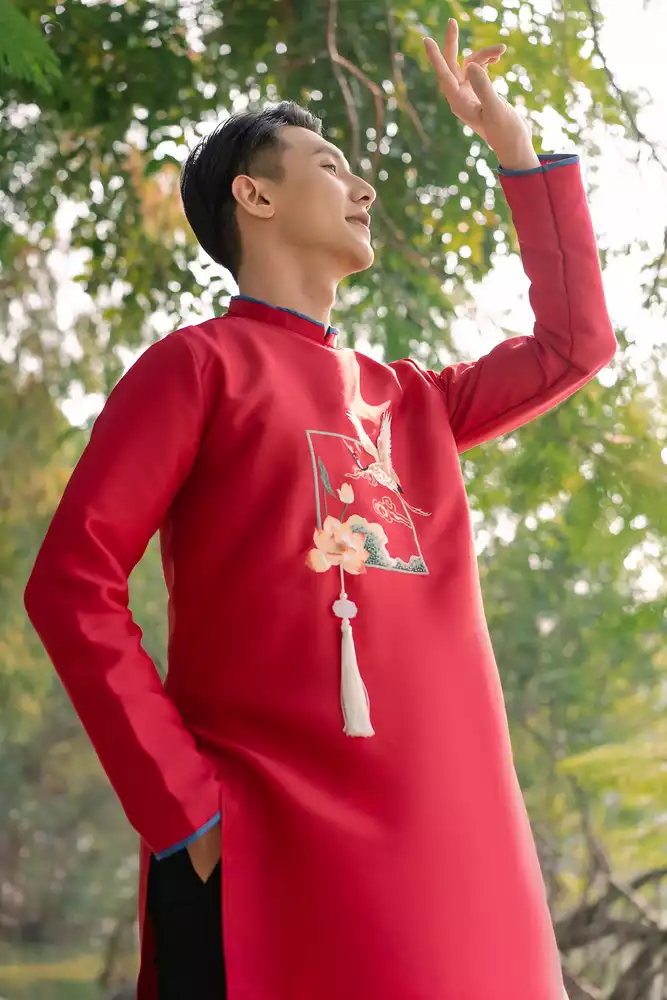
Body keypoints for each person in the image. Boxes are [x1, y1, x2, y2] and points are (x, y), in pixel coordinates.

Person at [25, 18, 616, 1000]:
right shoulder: (197, 367)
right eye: (330, 165)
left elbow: (574, 344)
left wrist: (514, 150)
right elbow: (71, 583)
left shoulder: (412, 401)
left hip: (453, 861)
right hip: (265, 848)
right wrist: (185, 810)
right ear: (252, 196)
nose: (363, 187)